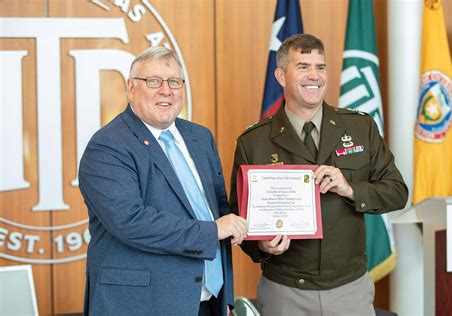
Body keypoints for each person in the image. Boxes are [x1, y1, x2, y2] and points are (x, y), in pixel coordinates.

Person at [229, 34, 408, 315]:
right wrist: (261, 245)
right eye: (303, 66)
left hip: (350, 289)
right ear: (280, 75)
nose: (314, 75)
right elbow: (238, 219)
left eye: (320, 67)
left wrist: (351, 189)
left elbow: (397, 192)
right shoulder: (253, 142)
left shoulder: (360, 127)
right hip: (285, 292)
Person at [79, 46, 248, 316]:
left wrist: (262, 235)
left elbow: (219, 213)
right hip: (142, 304)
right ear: (131, 88)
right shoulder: (108, 145)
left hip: (207, 301)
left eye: (174, 81)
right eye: (154, 81)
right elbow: (130, 221)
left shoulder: (200, 137)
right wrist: (212, 231)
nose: (166, 90)